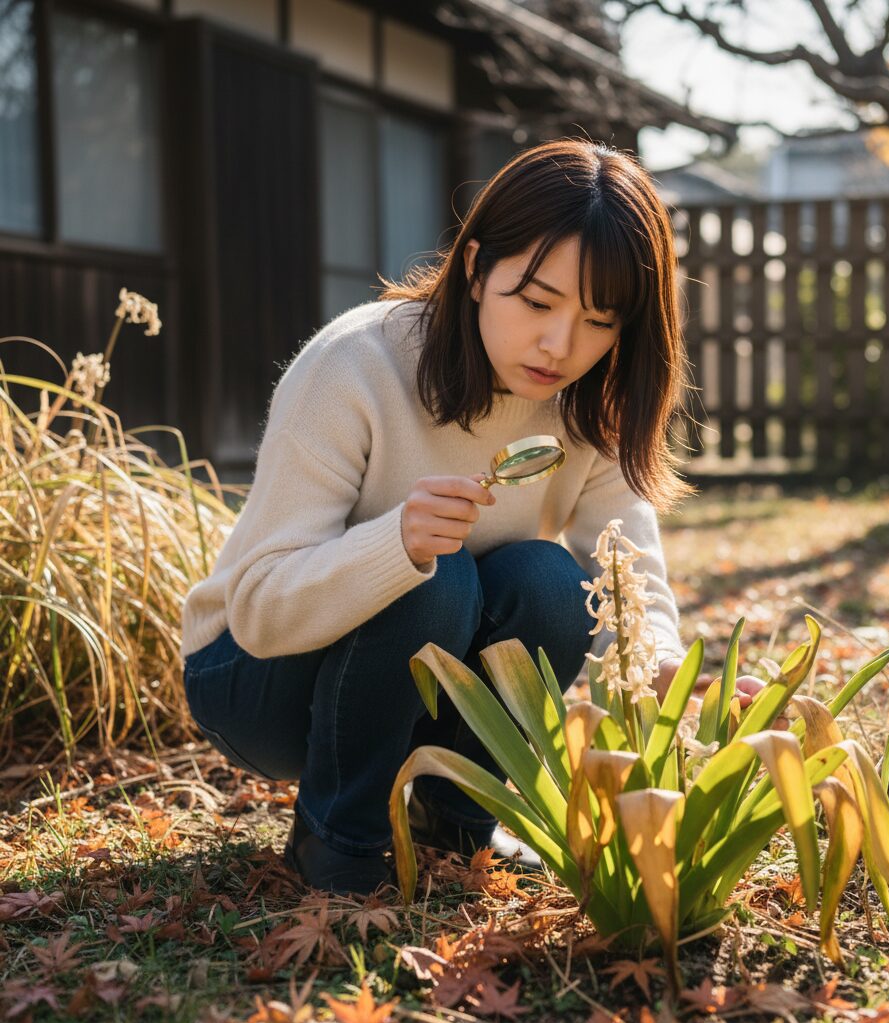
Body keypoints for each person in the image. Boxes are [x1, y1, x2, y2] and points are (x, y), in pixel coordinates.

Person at [179, 138, 767, 897]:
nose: (561, 345)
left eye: (599, 319)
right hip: (255, 682)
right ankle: (338, 841)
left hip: (400, 683)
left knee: (551, 582)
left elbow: (632, 585)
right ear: (475, 268)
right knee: (435, 577)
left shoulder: (592, 407)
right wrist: (394, 543)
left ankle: (455, 823)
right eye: (537, 301)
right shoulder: (355, 365)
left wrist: (679, 683)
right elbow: (257, 611)